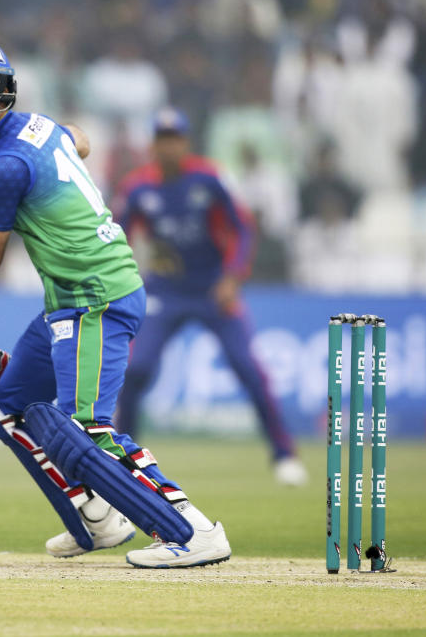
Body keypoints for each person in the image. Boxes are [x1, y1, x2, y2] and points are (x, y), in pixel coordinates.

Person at [0, 36, 231, 568]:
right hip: (70, 302)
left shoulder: (5, 167)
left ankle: (192, 530)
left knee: (85, 428)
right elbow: (80, 140)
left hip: (95, 301)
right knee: (0, 392)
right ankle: (97, 520)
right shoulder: (37, 126)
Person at [115, 107, 308, 486]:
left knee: (248, 369)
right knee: (136, 370)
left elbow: (243, 229)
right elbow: (117, 236)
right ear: (153, 145)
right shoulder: (138, 187)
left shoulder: (210, 177)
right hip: (165, 290)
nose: (169, 148)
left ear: (185, 143)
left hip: (213, 289)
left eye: (176, 140)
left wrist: (233, 277)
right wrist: (127, 280)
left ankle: (284, 454)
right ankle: (124, 461)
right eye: (162, 140)